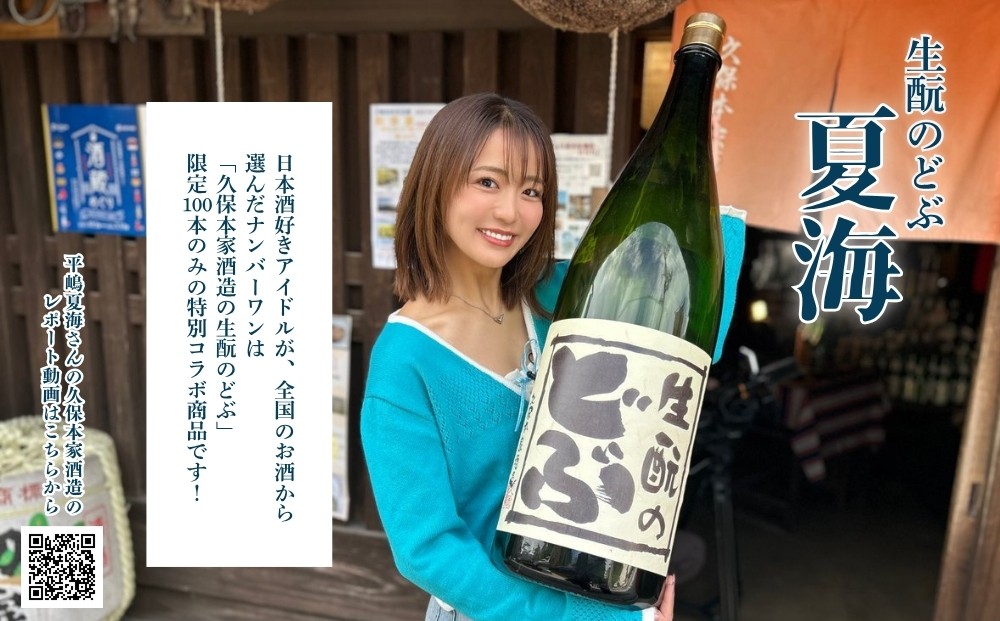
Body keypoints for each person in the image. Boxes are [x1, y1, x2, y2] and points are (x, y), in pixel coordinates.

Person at [361, 92, 676, 621]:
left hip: (598, 591)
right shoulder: (405, 362)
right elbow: (427, 550)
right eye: (487, 182)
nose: (511, 212)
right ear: (436, 182)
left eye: (531, 190)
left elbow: (685, 340)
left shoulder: (556, 295)